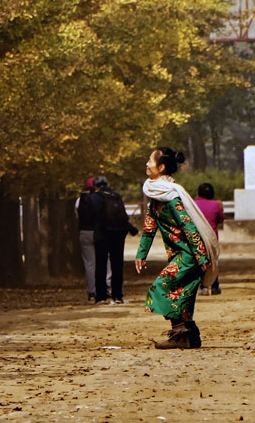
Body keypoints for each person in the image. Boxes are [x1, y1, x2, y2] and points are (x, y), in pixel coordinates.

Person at [135, 147, 219, 349]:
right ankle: (190, 336)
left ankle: (180, 334)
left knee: (162, 288)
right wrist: (141, 254)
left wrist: (200, 256)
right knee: (182, 295)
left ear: (161, 167)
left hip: (189, 255)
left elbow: (189, 227)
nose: (147, 164)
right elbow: (149, 228)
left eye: (150, 161)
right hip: (179, 255)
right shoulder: (157, 196)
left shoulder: (172, 196)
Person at [92, 176, 132, 305]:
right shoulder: (115, 195)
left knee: (101, 264)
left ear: (95, 186)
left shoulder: (95, 197)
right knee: (117, 264)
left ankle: (101, 296)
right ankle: (117, 296)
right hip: (118, 233)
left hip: (102, 234)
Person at [194, 182, 224, 296]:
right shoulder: (216, 204)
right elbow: (220, 219)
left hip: (197, 236)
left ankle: (204, 287)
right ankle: (215, 286)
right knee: (213, 262)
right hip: (212, 237)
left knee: (201, 261)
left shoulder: (193, 204)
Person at [76, 177, 103, 302]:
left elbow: (77, 216)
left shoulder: (79, 201)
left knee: (89, 263)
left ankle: (91, 291)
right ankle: (105, 287)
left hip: (84, 232)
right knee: (103, 261)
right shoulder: (100, 199)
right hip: (99, 232)